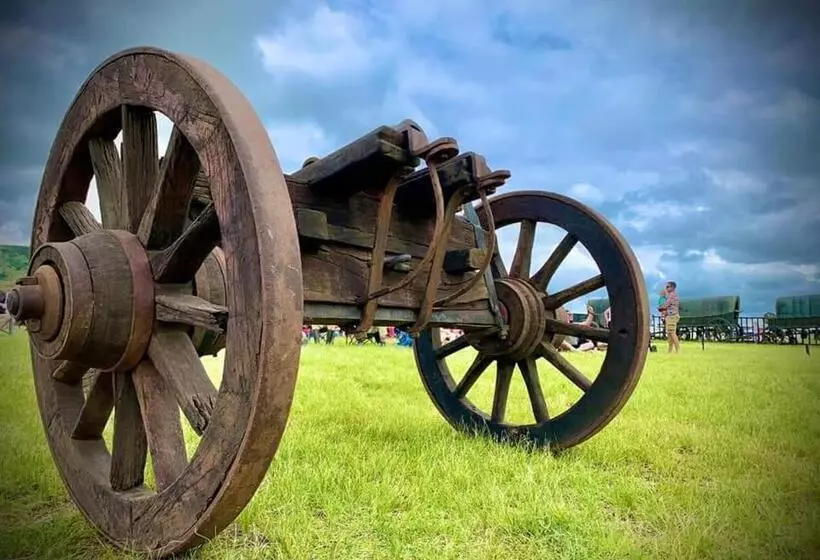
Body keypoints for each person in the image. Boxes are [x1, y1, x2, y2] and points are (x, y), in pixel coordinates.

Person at [658, 281, 680, 353]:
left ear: (673, 287)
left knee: (672, 333)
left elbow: (666, 304)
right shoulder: (671, 295)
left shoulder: (672, 295)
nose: (666, 288)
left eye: (668, 287)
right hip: (670, 315)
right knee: (670, 333)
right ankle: (670, 351)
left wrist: (660, 308)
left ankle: (678, 350)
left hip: (672, 315)